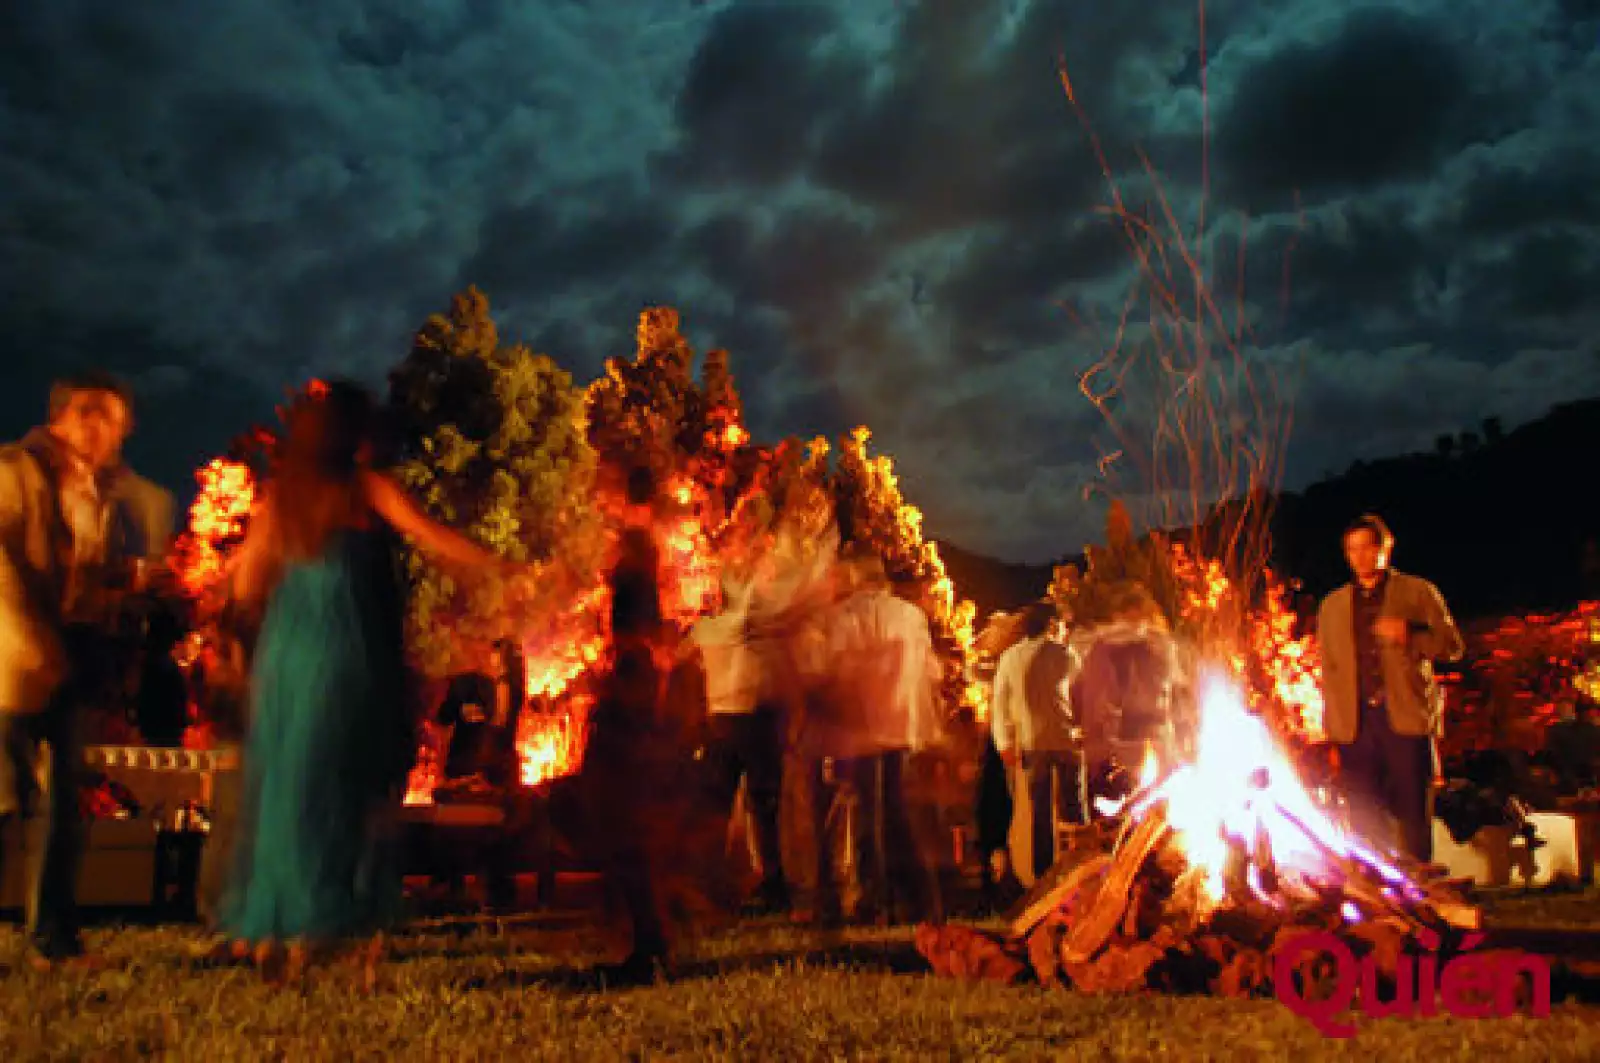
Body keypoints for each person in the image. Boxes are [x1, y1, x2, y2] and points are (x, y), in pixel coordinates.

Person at [217, 380, 523, 986]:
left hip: (288, 653)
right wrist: (500, 566)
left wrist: (238, 643)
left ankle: (282, 922)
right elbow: (433, 537)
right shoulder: (364, 487)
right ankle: (332, 917)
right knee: (347, 784)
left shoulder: (284, 499)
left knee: (291, 785)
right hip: (343, 648)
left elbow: (245, 581)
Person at [0, 369, 135, 970]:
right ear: (71, 418)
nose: (113, 433)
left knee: (63, 804)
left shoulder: (95, 489)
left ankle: (53, 938)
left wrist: (123, 588)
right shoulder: (15, 470)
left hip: (68, 654)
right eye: (103, 418)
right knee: (6, 798)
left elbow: (82, 571)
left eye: (119, 424)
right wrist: (26, 634)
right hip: (13, 656)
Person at [1317, 514, 1463, 864]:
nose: (1360, 557)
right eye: (1352, 550)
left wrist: (1410, 633)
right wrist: (1332, 725)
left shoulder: (1417, 592)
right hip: (1355, 724)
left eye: (1368, 547)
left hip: (1405, 718)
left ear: (1386, 547)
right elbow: (1329, 669)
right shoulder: (1333, 605)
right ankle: (1375, 884)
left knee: (1413, 810)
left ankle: (1419, 883)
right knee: (1363, 813)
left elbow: (1452, 646)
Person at [824, 552, 945, 925]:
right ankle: (915, 898)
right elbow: (932, 672)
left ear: (856, 579)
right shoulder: (911, 616)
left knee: (867, 814)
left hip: (863, 730)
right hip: (902, 726)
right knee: (897, 813)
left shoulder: (845, 616)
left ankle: (873, 898)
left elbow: (838, 673)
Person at [692, 578, 789, 913]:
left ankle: (712, 883)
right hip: (754, 721)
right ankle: (773, 883)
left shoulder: (706, 628)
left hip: (721, 722)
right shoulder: (752, 627)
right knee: (764, 809)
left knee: (717, 808)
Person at [990, 602, 1080, 881]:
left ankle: (1044, 875)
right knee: (1074, 810)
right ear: (1051, 624)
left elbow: (999, 704)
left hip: (1032, 741)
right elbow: (1078, 688)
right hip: (1065, 739)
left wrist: (1004, 743)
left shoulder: (1010, 658)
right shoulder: (1064, 654)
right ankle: (1080, 867)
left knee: (1040, 814)